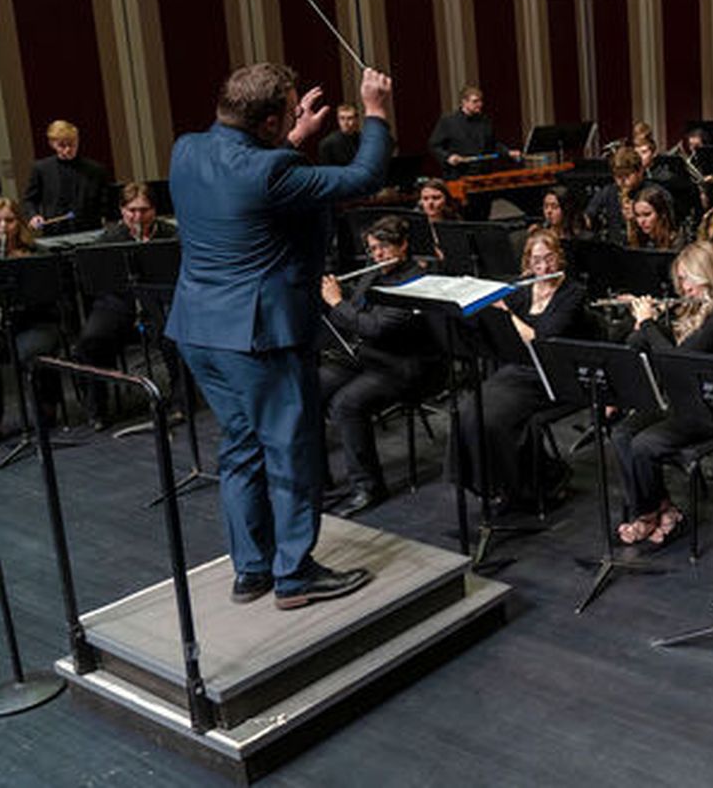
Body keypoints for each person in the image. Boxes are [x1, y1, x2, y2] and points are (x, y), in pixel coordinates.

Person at [167, 62, 392, 610]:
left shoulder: (186, 150)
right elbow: (363, 178)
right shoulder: (273, 170)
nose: (298, 117)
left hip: (199, 330)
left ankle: (252, 569)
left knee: (242, 446)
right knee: (291, 450)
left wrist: (291, 139)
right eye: (290, 113)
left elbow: (244, 175)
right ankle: (294, 574)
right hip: (258, 335)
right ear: (267, 123)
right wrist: (376, 111)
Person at [612, 243, 713, 547]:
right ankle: (661, 509)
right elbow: (641, 344)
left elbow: (678, 360)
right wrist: (645, 322)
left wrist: (649, 323)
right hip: (684, 402)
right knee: (622, 434)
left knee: (645, 444)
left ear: (708, 276)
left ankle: (646, 516)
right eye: (681, 281)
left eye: (688, 280)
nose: (683, 288)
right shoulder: (691, 307)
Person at [455, 229, 586, 513]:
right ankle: (491, 485)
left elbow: (542, 338)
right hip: (519, 369)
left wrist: (507, 314)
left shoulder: (572, 293)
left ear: (559, 257)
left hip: (553, 375)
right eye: (537, 260)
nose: (544, 267)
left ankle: (524, 488)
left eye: (549, 258)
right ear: (528, 262)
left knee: (495, 420)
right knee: (469, 409)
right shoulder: (523, 288)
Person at [318, 216, 442, 516]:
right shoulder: (373, 274)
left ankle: (368, 487)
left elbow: (375, 327)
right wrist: (341, 303)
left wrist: (337, 303)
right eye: (373, 249)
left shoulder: (415, 281)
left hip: (403, 364)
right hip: (367, 356)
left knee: (346, 404)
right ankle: (317, 478)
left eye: (384, 248)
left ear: (403, 245)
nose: (377, 256)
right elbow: (355, 317)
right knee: (311, 388)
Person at [72, 183, 181, 428]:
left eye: (144, 210)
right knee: (90, 340)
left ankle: (180, 402)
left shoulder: (169, 235)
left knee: (175, 338)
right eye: (132, 210)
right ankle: (96, 409)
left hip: (158, 302)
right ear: (122, 211)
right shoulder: (109, 239)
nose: (138, 217)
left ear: (155, 210)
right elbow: (93, 281)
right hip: (118, 304)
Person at [0, 196, 66, 429]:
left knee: (32, 352)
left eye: (9, 221)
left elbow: (52, 296)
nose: (2, 228)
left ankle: (46, 410)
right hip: (4, 325)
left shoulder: (36, 254)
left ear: (19, 223)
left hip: (35, 322)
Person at [24, 119, 111, 235]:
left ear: (78, 140)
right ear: (52, 144)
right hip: (55, 232)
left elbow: (106, 204)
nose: (68, 149)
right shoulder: (42, 169)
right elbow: (30, 199)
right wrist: (34, 216)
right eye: (62, 145)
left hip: (89, 230)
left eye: (72, 144)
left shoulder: (95, 170)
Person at [428, 85, 521, 178]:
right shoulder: (448, 121)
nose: (479, 104)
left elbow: (493, 144)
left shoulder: (485, 121)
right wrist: (448, 157)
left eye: (481, 101)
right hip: (458, 174)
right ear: (464, 102)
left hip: (483, 173)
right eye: (475, 101)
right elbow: (434, 145)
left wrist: (508, 152)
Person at [585, 147, 643, 244]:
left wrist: (636, 217)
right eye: (618, 176)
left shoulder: (653, 192)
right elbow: (589, 215)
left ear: (640, 171)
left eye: (627, 175)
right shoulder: (608, 191)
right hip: (615, 248)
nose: (623, 181)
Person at [627, 185, 684, 250]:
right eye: (637, 215)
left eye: (647, 214)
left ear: (661, 214)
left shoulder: (677, 242)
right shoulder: (639, 239)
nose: (641, 221)